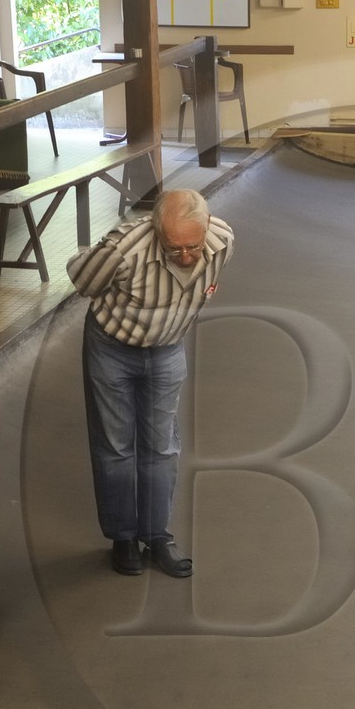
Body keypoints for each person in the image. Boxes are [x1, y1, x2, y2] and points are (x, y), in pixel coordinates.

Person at [67, 189, 234, 578]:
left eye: (192, 246)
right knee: (115, 447)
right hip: (112, 347)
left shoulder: (223, 240)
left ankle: (157, 535)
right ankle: (123, 537)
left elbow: (205, 280)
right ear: (156, 230)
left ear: (207, 228)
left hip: (167, 349)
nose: (186, 257)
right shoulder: (125, 247)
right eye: (174, 249)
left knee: (162, 447)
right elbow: (81, 280)